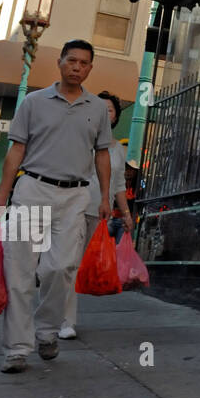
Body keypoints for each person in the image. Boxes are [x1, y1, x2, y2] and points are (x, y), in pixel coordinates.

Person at [0, 40, 113, 373]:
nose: (77, 67)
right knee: (19, 271)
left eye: (84, 63)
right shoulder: (33, 102)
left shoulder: (98, 108)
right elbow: (16, 151)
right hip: (32, 189)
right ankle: (16, 348)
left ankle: (46, 332)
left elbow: (101, 154)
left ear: (90, 68)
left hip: (74, 196)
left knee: (60, 268)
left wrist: (104, 197)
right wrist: (1, 196)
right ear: (60, 63)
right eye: (71, 60)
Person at [59, 91, 132, 340]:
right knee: (68, 264)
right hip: (73, 208)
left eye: (109, 109)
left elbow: (119, 184)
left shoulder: (118, 149)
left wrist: (126, 213)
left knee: (78, 267)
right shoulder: (79, 138)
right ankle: (66, 320)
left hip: (99, 213)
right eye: (100, 107)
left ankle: (57, 312)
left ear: (114, 117)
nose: (104, 112)